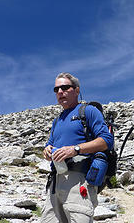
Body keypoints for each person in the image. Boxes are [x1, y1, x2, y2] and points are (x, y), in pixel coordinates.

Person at [41, 72, 114, 223]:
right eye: (56, 90)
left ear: (77, 90)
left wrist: (75, 149)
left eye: (65, 87)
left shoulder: (88, 111)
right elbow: (50, 144)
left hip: (78, 180)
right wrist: (47, 150)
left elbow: (107, 140)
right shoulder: (57, 121)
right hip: (55, 182)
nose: (60, 92)